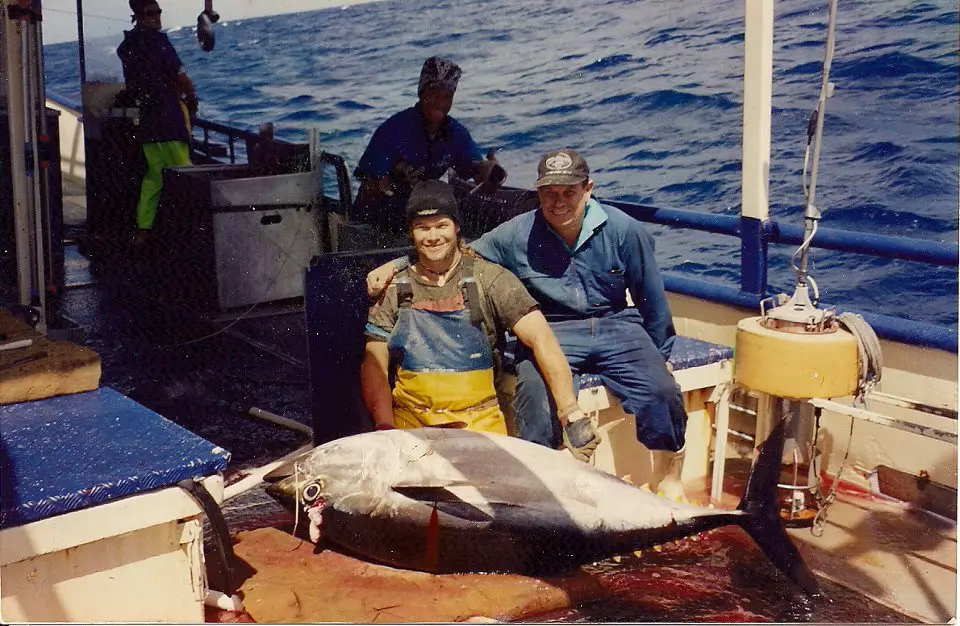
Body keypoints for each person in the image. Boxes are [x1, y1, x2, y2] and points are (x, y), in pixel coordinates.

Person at [367, 150, 689, 499]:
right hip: (555, 327)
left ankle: (669, 475)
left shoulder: (625, 230)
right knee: (533, 395)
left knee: (662, 391)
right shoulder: (516, 233)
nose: (559, 201)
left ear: (588, 189)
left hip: (618, 326)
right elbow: (457, 250)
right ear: (538, 193)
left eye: (569, 191)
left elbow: (652, 300)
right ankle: (546, 483)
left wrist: (662, 355)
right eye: (550, 192)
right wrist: (399, 265)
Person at [361, 180, 598, 460]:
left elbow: (540, 336)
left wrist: (569, 412)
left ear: (457, 227)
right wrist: (386, 427)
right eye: (423, 228)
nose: (433, 236)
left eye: (442, 225)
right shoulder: (393, 287)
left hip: (480, 427)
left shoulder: (490, 279)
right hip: (413, 429)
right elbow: (374, 362)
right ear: (411, 233)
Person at [352, 56, 506, 240]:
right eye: (434, 93)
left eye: (447, 96)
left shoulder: (455, 134)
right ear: (421, 93)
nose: (440, 102)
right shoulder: (393, 131)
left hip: (421, 222)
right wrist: (394, 176)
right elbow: (370, 189)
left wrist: (490, 173)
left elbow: (478, 172)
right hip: (375, 226)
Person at [117, 0, 198, 246]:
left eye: (159, 11)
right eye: (152, 12)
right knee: (187, 175)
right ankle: (194, 229)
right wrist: (191, 96)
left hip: (149, 123)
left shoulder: (128, 46)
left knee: (154, 178)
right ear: (139, 16)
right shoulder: (159, 42)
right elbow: (180, 77)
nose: (158, 16)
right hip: (169, 121)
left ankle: (143, 230)